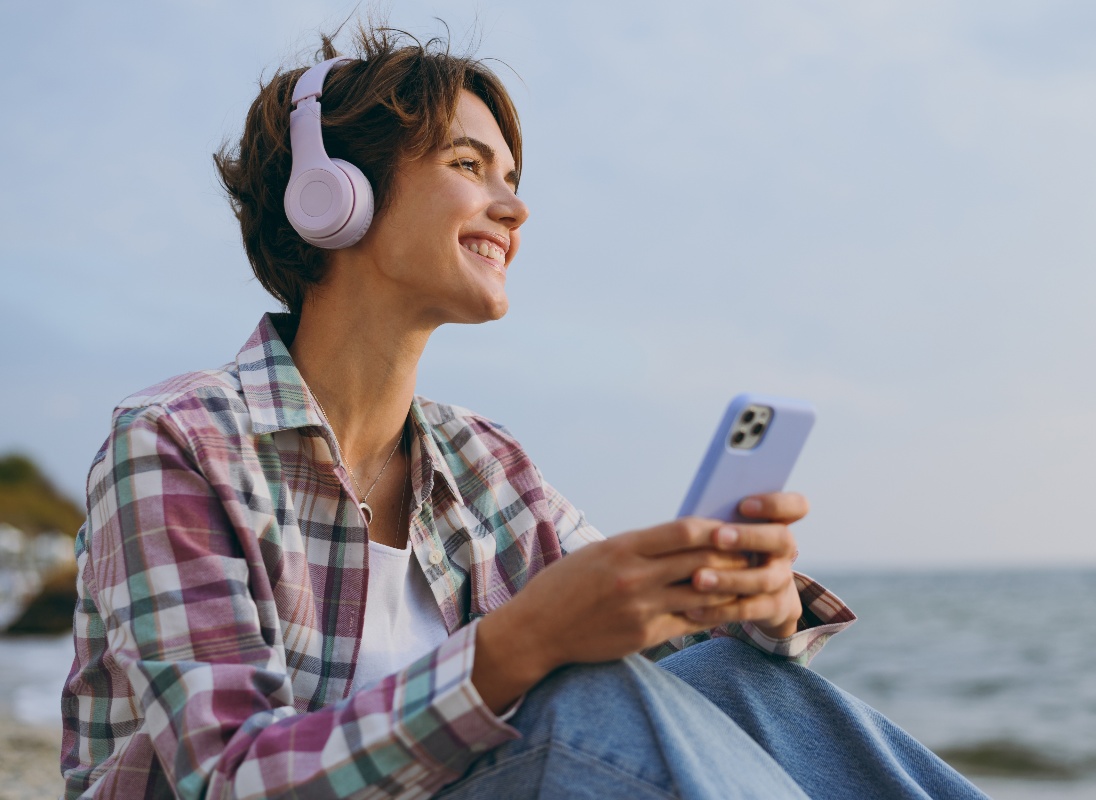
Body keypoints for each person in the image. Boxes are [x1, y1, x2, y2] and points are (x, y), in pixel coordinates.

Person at [60, 23, 988, 800]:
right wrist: (524, 641)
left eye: (511, 174)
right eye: (471, 164)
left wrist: (752, 601)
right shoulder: (176, 441)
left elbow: (655, 645)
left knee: (733, 675)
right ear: (332, 197)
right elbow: (226, 776)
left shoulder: (482, 465)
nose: (515, 206)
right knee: (582, 703)